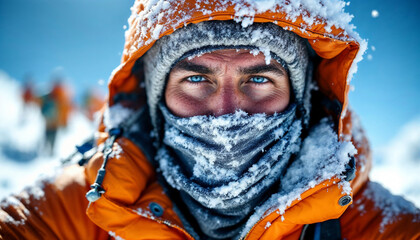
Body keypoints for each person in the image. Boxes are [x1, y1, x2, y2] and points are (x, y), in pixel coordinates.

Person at [1, 0, 419, 239]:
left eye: (258, 78)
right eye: (196, 78)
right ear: (155, 97)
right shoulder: (83, 205)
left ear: (304, 97)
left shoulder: (370, 224)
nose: (225, 113)